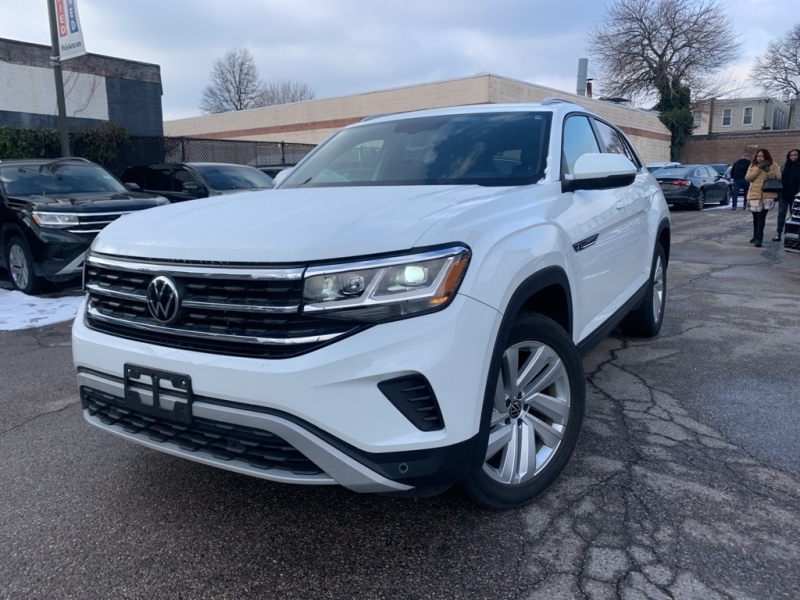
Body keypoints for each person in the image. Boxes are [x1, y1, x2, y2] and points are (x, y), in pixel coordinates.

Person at [744, 148, 781, 247]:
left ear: (766, 156)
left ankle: (759, 238)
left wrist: (768, 170)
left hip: (767, 195)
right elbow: (748, 178)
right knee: (755, 217)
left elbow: (777, 177)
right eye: (758, 156)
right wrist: (759, 168)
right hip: (754, 195)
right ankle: (755, 235)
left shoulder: (774, 164)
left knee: (761, 217)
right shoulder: (753, 165)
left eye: (762, 156)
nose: (760, 158)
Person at [773, 148, 800, 242]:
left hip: (796, 195)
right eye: (791, 155)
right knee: (781, 214)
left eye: (795, 155)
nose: (793, 157)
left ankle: (793, 235)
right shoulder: (785, 166)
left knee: (795, 216)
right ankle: (778, 233)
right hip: (784, 194)